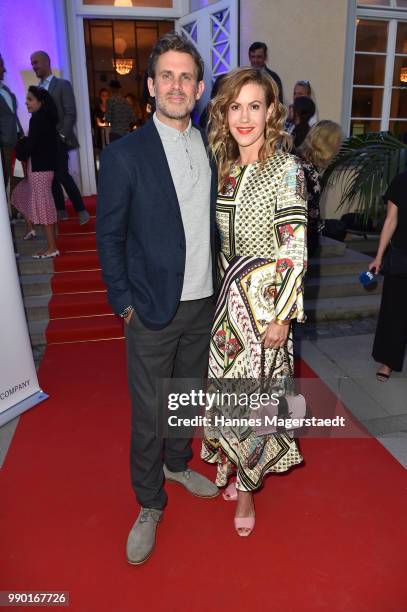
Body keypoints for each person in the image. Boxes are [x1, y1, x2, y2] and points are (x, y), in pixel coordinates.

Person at [96, 32, 219, 565]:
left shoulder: (212, 147)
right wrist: (123, 301)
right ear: (150, 86)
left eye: (186, 76)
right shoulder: (125, 155)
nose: (176, 85)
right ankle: (149, 502)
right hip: (149, 307)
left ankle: (177, 462)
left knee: (185, 397)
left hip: (203, 301)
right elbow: (109, 235)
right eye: (166, 75)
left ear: (198, 88)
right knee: (148, 412)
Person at [201, 67, 308, 536]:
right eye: (235, 106)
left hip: (265, 313)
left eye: (255, 106)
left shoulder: (286, 169)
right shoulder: (223, 168)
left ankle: (247, 492)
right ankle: (231, 467)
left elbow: (294, 247)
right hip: (228, 311)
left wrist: (282, 315)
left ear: (271, 113)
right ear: (225, 113)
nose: (245, 116)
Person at [30, 51, 89, 224]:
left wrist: (62, 134)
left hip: (59, 139)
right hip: (44, 143)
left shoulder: (63, 85)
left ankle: (81, 210)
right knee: (52, 178)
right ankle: (61, 210)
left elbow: (70, 112)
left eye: (36, 62)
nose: (34, 66)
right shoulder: (37, 89)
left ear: (47, 62)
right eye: (32, 63)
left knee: (62, 174)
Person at [11, 86, 59, 258]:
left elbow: (32, 145)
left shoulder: (38, 119)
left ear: (40, 102)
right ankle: (31, 228)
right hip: (40, 169)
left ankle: (52, 247)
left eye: (30, 99)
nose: (27, 102)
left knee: (44, 206)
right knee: (19, 193)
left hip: (40, 170)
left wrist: (20, 145)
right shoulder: (43, 119)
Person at [370, 170, 407, 381]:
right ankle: (388, 362)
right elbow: (391, 220)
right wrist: (379, 256)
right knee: (394, 313)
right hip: (402, 256)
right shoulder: (401, 180)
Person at [298, 120, 342, 257]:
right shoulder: (307, 170)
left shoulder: (303, 164)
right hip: (300, 241)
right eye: (337, 141)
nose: (339, 146)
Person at [0, 53, 23, 207]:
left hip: (16, 139)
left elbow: (12, 115)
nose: (4, 69)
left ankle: (15, 212)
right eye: (1, 65)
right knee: (4, 178)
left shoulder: (5, 89)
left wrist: (20, 132)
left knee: (17, 176)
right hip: (3, 142)